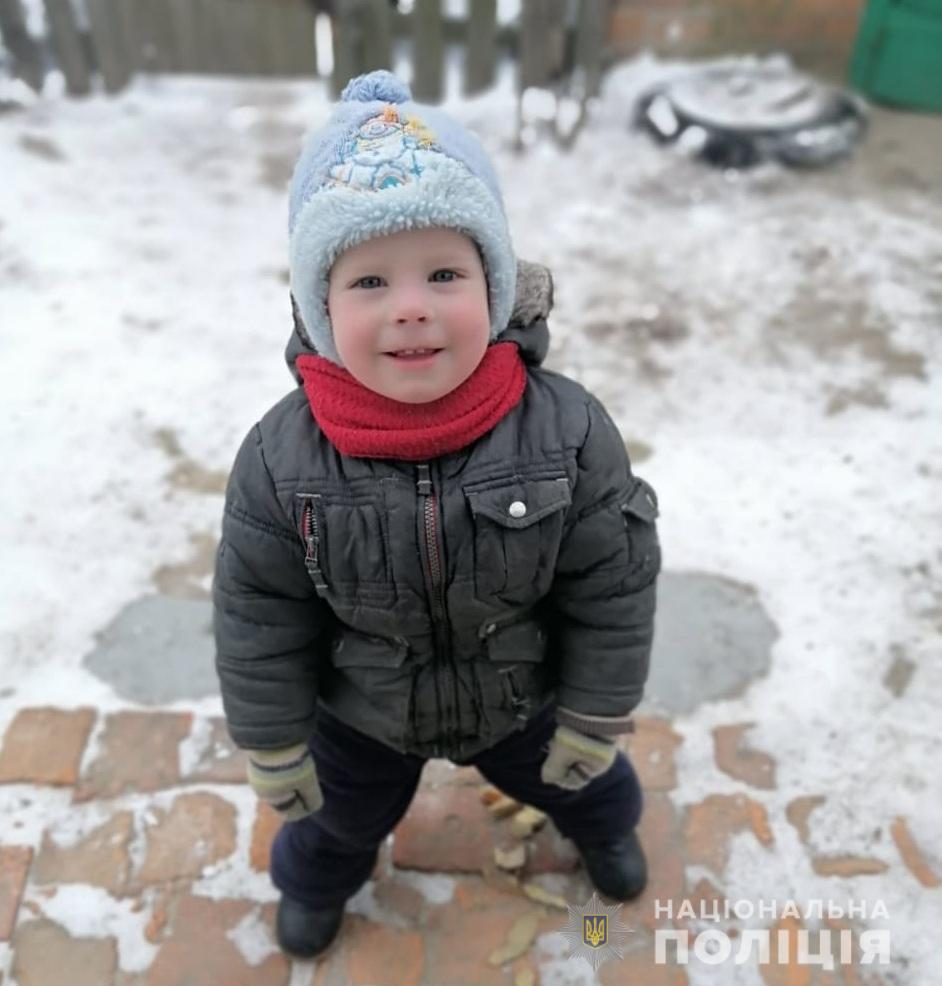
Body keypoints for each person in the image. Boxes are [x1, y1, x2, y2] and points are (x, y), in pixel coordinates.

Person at [213, 70, 661, 959]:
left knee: (588, 784)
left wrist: (594, 715)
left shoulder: (567, 430)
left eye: (445, 273)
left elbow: (612, 587)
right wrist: (273, 742)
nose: (411, 306)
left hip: (520, 698)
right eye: (370, 280)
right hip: (363, 712)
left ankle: (605, 830)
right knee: (332, 824)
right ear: (320, 307)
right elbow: (258, 613)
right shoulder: (279, 459)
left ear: (495, 286)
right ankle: (315, 885)